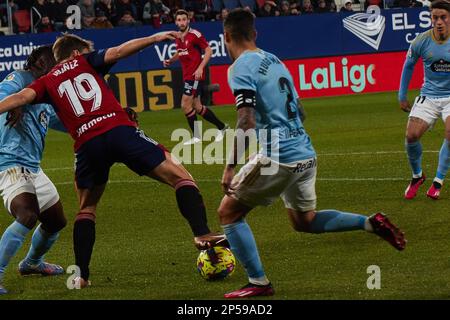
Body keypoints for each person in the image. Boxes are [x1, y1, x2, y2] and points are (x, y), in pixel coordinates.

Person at [0, 32, 227, 289]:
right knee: (180, 177)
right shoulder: (61, 69)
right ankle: (201, 232)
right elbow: (119, 50)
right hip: (101, 136)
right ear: (73, 54)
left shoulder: (48, 84)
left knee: (73, 215)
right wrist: (155, 38)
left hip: (76, 150)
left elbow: (45, 109)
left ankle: (66, 271)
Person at [218, 8, 406, 298]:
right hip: (306, 152)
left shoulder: (240, 67)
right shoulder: (276, 61)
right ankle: (370, 222)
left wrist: (230, 166)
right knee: (304, 221)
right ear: (255, 34)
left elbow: (246, 120)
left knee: (228, 213)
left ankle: (258, 283)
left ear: (227, 36)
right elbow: (301, 112)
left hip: (279, 156)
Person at [0, 45, 68, 295]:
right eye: (54, 61)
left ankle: (31, 264)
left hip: (32, 168)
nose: (57, 66)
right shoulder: (20, 78)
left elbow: (64, 121)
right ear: (38, 62)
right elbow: (2, 93)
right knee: (27, 215)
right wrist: (13, 102)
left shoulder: (46, 93)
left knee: (55, 221)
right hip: (8, 162)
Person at [399, 0, 450, 200]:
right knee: (411, 136)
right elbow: (408, 65)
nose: (438, 22)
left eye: (443, 17)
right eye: (435, 17)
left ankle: (438, 180)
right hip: (428, 95)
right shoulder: (421, 40)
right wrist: (402, 95)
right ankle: (417, 176)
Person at [164, 9, 228, 145]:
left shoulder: (195, 35)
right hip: (187, 75)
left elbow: (209, 50)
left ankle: (197, 137)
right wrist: (170, 60)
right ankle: (223, 127)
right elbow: (180, 52)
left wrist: (200, 68)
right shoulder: (178, 37)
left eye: (184, 19)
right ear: (176, 22)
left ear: (188, 21)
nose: (181, 22)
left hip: (195, 75)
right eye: (179, 20)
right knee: (197, 106)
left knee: (185, 105)